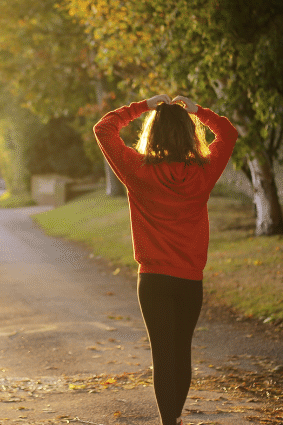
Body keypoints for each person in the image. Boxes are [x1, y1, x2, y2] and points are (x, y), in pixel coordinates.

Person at [94, 94, 238, 425]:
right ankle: (174, 421)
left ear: (153, 134)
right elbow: (228, 134)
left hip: (154, 280)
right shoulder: (203, 173)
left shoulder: (137, 170)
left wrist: (142, 106)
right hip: (189, 280)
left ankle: (168, 423)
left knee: (163, 356)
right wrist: (198, 111)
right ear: (190, 135)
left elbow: (104, 128)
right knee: (181, 351)